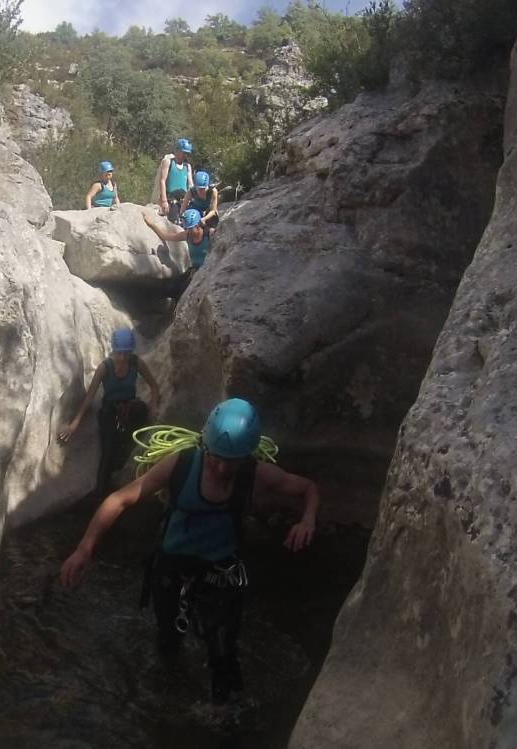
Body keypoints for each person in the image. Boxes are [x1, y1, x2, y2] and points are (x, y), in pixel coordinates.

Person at [60, 398, 320, 706]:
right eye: (216, 458)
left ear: (246, 455)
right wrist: (84, 549)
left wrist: (307, 520)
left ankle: (221, 714)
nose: (223, 467)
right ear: (205, 446)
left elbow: (307, 489)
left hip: (220, 570)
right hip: (172, 567)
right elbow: (119, 500)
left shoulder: (257, 474)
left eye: (232, 461)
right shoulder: (181, 465)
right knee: (168, 643)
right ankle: (168, 700)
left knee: (223, 652)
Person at [58, 328, 159, 497]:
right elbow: (90, 397)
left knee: (137, 415)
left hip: (129, 408)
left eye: (126, 353)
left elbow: (154, 386)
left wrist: (153, 405)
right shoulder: (105, 368)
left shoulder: (136, 363)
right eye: (119, 353)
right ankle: (101, 494)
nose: (122, 357)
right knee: (108, 449)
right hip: (110, 411)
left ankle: (124, 471)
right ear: (114, 350)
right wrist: (74, 424)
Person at [143, 208, 213, 298]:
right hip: (194, 270)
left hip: (207, 271)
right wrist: (151, 224)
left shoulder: (209, 234)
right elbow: (165, 236)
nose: (189, 231)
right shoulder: (186, 235)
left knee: (183, 291)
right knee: (172, 288)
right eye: (187, 228)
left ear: (198, 225)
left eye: (191, 228)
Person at [156, 138, 194, 223]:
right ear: (178, 151)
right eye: (184, 153)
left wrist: (191, 198)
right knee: (172, 223)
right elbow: (162, 181)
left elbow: (190, 184)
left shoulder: (187, 166)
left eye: (187, 153)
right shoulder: (168, 162)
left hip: (183, 201)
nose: (185, 155)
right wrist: (164, 201)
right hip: (171, 200)